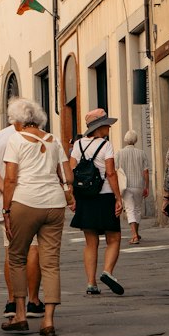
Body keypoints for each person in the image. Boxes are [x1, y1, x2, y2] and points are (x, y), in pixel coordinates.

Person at [0, 98, 74, 336]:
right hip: (54, 203)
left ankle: (20, 314)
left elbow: (10, 179)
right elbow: (68, 175)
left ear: (19, 120)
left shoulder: (16, 139)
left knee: (17, 257)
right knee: (50, 262)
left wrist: (6, 209)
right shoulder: (53, 140)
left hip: (26, 201)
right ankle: (48, 321)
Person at [0, 99, 44, 317]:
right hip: (33, 198)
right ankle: (34, 300)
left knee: (10, 250)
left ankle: (11, 301)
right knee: (33, 248)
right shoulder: (39, 136)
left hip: (5, 201)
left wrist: (3, 189)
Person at [70, 109, 125, 295]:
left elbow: (71, 171)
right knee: (114, 237)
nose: (109, 126)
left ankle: (91, 283)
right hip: (105, 195)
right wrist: (118, 197)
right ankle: (107, 272)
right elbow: (110, 173)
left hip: (85, 197)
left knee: (90, 242)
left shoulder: (77, 145)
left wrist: (72, 197)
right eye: (107, 124)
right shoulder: (106, 145)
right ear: (99, 127)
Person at [115, 129, 150, 244]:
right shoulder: (142, 153)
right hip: (139, 185)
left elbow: (116, 170)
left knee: (130, 209)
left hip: (125, 185)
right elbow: (146, 172)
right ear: (136, 140)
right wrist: (147, 187)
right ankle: (137, 233)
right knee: (138, 209)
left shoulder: (119, 153)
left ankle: (134, 235)